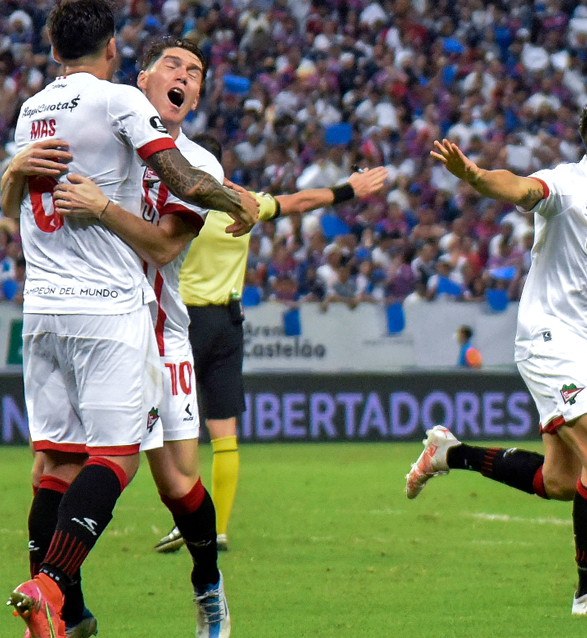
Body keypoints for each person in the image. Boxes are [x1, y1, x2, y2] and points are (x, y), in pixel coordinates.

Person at [0, 4, 257, 638]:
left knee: (176, 482)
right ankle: (69, 609)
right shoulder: (106, 121)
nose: (184, 76)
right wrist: (14, 172)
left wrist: (103, 206)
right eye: (173, 65)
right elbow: (25, 200)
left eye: (195, 73)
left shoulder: (197, 164)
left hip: (160, 328)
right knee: (59, 465)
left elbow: (164, 248)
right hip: (104, 312)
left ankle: (208, 587)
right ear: (139, 76)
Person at [56, 126, 387, 558]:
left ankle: (184, 511)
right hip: (228, 320)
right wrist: (349, 190)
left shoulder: (177, 204)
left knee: (172, 426)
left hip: (180, 321)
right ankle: (220, 527)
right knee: (224, 430)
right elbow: (299, 202)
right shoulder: (243, 201)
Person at [407, 99, 587, 617]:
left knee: (562, 481)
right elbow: (520, 188)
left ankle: (449, 453)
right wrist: (474, 175)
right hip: (550, 338)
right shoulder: (567, 185)